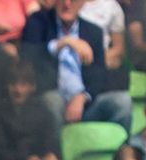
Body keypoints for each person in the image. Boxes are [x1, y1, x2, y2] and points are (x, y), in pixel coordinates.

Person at [19, 0, 130, 130]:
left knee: (122, 102)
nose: (67, 4)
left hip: (84, 104)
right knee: (53, 101)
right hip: (52, 98)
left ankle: (126, 150)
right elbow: (29, 57)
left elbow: (99, 76)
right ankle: (54, 150)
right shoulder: (38, 22)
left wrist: (83, 97)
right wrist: (64, 42)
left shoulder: (93, 31)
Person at [0, 61, 59, 160]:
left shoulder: (43, 111)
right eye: (13, 84)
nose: (18, 90)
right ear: (7, 86)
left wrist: (43, 159)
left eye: (23, 85)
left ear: (32, 87)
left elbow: (51, 141)